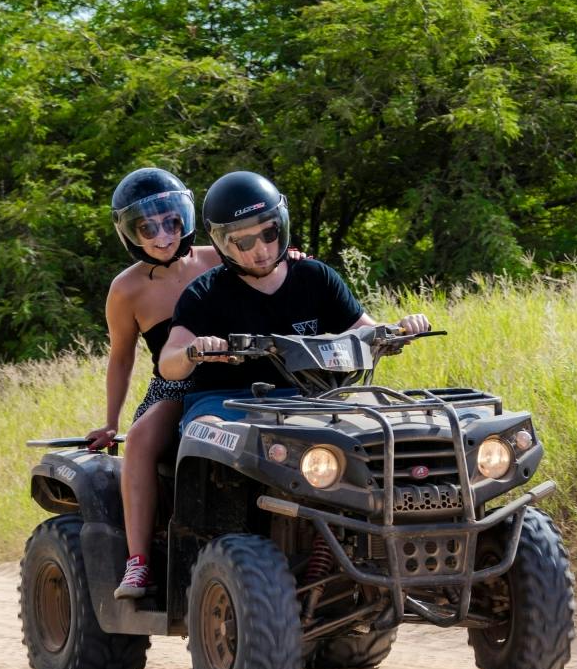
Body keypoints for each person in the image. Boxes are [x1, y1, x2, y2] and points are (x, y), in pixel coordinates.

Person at [156, 171, 430, 578]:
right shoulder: (205, 293)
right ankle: (220, 552)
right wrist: (195, 350)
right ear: (221, 243)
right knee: (222, 443)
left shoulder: (315, 278)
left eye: (269, 233)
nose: (261, 250)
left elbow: (364, 331)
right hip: (227, 405)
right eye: (243, 242)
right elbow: (168, 360)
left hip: (311, 403)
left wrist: (399, 330)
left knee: (393, 431)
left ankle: (377, 542)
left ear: (282, 225)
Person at [86, 168, 220, 600]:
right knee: (142, 439)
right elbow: (121, 356)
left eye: (170, 223)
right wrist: (111, 422)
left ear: (185, 219)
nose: (161, 236)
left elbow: (267, 266)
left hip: (236, 377)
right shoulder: (125, 290)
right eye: (147, 228)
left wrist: (291, 258)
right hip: (175, 388)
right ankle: (138, 562)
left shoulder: (218, 257)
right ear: (131, 233)